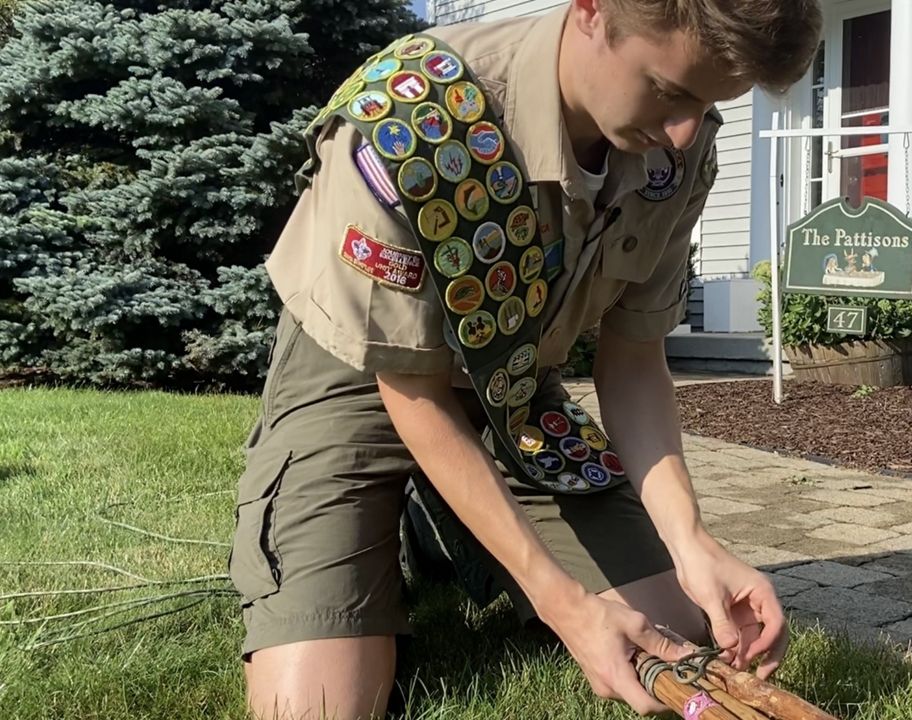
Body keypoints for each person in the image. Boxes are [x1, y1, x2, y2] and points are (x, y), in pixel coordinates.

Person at [228, 1, 822, 718]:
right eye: (669, 91)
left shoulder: (678, 141)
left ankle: (453, 534)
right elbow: (411, 391)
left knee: (677, 627)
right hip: (360, 375)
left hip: (511, 387)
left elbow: (633, 361)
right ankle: (419, 520)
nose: (685, 132)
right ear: (593, 11)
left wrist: (690, 539)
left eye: (708, 104)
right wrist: (565, 603)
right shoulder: (411, 119)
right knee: (317, 708)